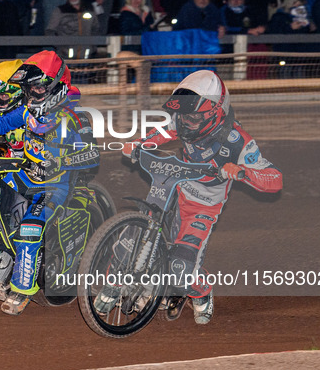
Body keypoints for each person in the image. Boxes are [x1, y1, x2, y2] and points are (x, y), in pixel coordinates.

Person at [108, 70, 283, 324]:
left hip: (201, 207)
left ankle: (202, 292)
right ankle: (117, 284)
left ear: (215, 112)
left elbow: (275, 179)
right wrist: (138, 144)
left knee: (181, 272)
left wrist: (244, 172)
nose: (186, 122)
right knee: (131, 237)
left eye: (193, 117)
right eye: (183, 116)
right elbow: (162, 133)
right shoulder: (182, 121)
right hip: (171, 187)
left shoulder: (238, 142)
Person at [0, 51, 100, 315]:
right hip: (24, 176)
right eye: (28, 88)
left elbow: (93, 156)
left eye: (37, 88)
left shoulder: (75, 117)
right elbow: (0, 123)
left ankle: (23, 290)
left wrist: (63, 161)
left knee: (30, 229)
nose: (32, 94)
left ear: (55, 85)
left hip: (53, 187)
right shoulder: (27, 111)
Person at [266, 0, 314, 78]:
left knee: (299, 79)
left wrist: (309, 26)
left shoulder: (304, 18)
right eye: (295, 3)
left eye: (300, 4)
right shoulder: (278, 16)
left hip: (299, 56)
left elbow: (307, 34)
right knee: (285, 78)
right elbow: (274, 32)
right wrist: (289, 27)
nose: (297, 6)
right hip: (284, 55)